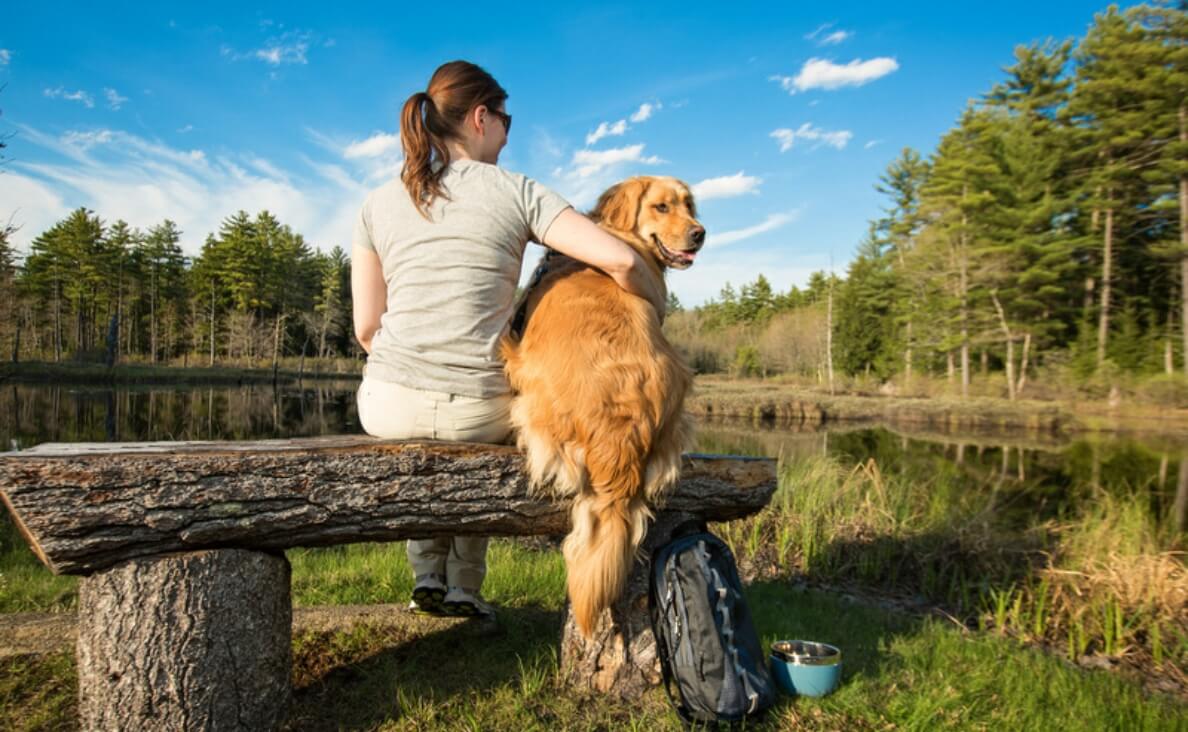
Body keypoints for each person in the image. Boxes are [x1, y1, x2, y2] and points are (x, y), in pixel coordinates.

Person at [351, 60, 664, 618]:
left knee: (426, 436)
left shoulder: (376, 202)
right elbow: (618, 258)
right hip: (477, 407)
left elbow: (366, 328)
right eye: (506, 120)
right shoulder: (519, 192)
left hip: (386, 403)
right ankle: (464, 588)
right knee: (496, 423)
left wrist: (414, 369)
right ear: (480, 118)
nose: (506, 131)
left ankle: (426, 574)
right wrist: (650, 313)